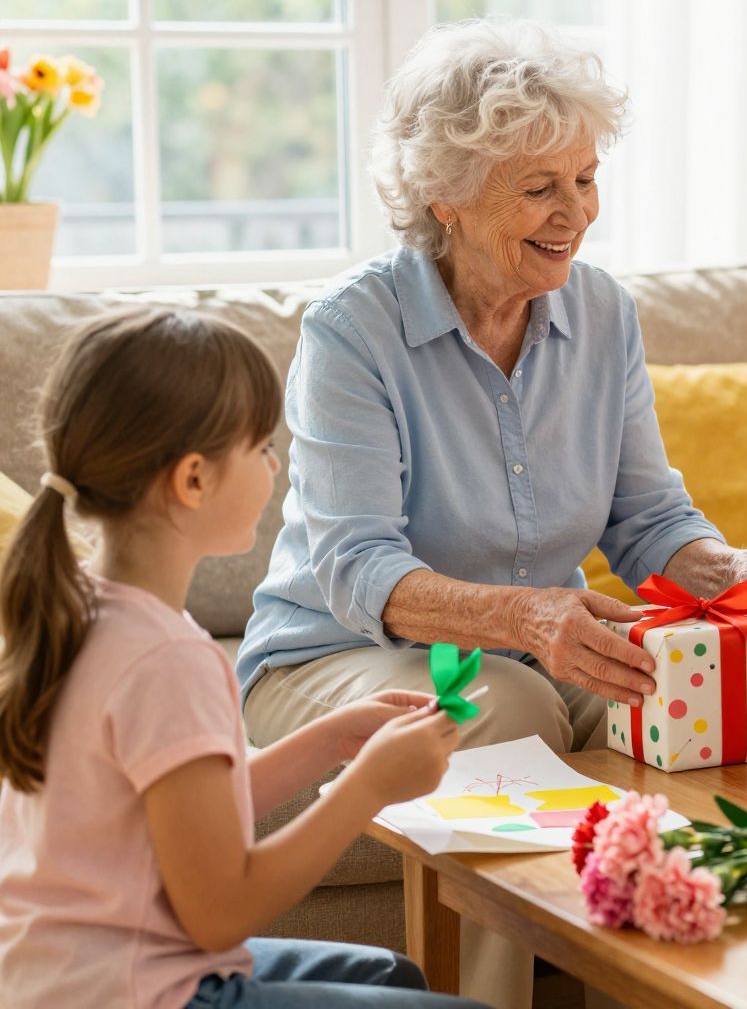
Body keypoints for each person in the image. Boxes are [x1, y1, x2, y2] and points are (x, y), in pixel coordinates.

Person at [236, 18, 747, 1008]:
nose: (574, 213)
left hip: (529, 649)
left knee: (686, 688)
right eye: (539, 189)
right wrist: (527, 621)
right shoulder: (352, 329)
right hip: (332, 657)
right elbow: (358, 565)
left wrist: (727, 572)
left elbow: (643, 517)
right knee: (498, 702)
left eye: (584, 179)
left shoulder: (603, 314)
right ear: (441, 196)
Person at [0, 308, 479, 1008]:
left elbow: (181, 813)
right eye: (260, 448)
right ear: (192, 481)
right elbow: (222, 909)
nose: (276, 465)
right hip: (131, 990)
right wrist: (366, 785)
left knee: (394, 976)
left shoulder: (80, 609)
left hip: (61, 973)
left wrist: (331, 740)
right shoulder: (165, 659)